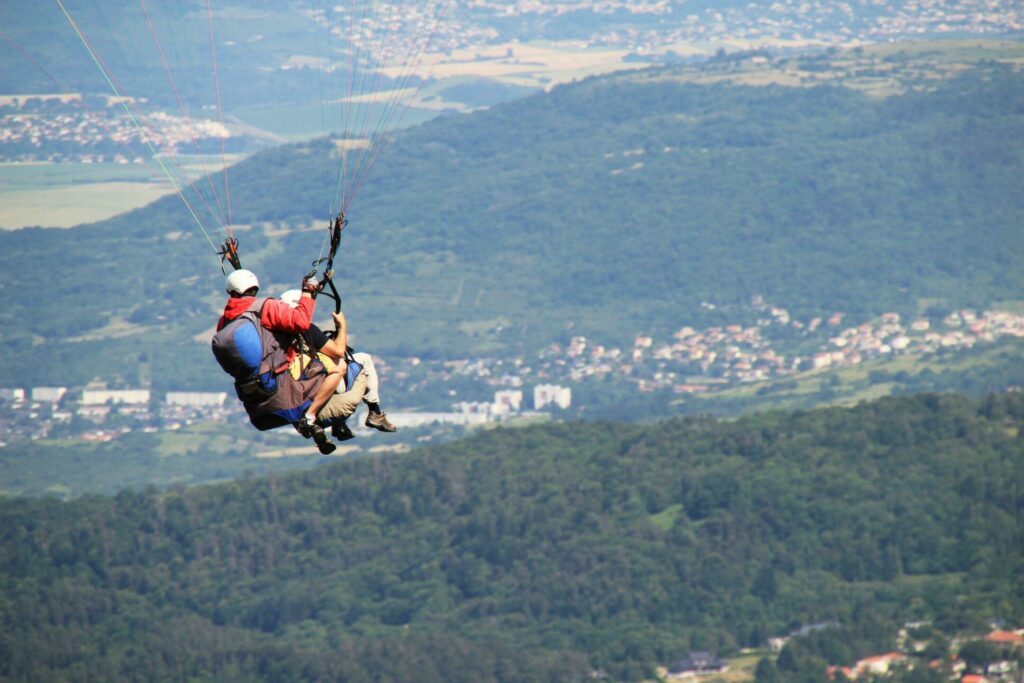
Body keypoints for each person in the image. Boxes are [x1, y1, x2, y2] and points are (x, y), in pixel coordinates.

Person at [212, 269, 340, 454]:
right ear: (255, 288)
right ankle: (318, 420)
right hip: (283, 390)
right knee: (338, 369)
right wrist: (307, 293)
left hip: (254, 398)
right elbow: (301, 322)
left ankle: (310, 425)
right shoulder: (266, 308)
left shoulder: (224, 324)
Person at [279, 289, 397, 440]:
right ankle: (375, 412)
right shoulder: (306, 329)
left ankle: (339, 424)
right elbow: (338, 351)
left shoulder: (276, 333)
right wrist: (341, 326)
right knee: (363, 360)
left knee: (343, 364)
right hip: (321, 382)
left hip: (298, 386)